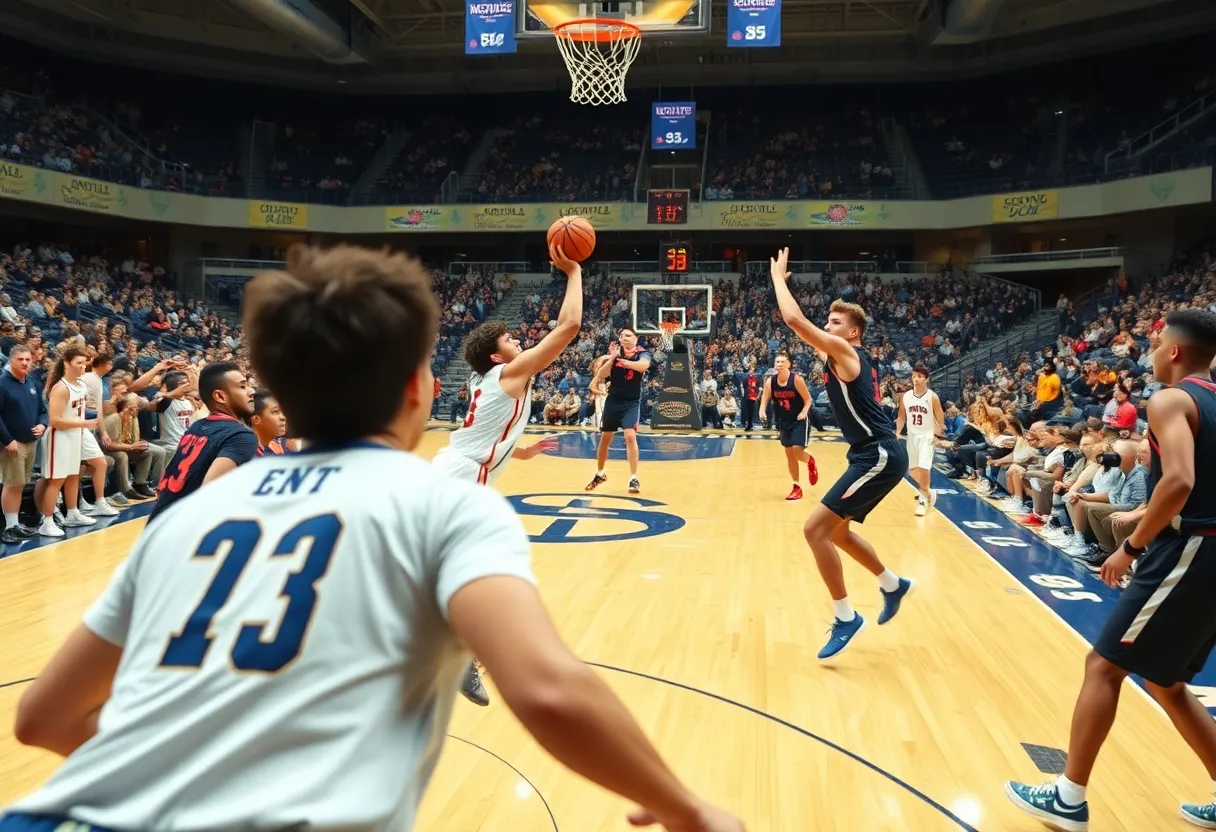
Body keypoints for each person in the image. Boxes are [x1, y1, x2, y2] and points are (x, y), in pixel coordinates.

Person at [1, 244, 746, 832]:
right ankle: (462, 653)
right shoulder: (441, 504)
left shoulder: (197, 512)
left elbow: (42, 720)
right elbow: (551, 690)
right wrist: (687, 808)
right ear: (421, 388)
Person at [1005, 309, 1216, 831]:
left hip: (1190, 549)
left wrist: (1132, 548)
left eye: (1157, 339)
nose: (1150, 346)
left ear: (1174, 351)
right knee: (1167, 684)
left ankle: (1069, 798)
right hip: (1209, 553)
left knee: (1103, 667)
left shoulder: (1171, 399)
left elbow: (1180, 481)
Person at [432, 244, 579, 706]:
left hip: (456, 466)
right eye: (511, 341)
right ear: (498, 359)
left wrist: (520, 450)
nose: (519, 342)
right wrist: (574, 271)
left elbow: (485, 433)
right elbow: (569, 327)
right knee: (484, 572)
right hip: (464, 478)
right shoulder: (508, 375)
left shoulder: (485, 380)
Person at [768, 248, 913, 660]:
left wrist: (779, 279)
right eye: (827, 321)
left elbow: (796, 321)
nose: (826, 327)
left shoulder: (848, 354)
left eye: (835, 323)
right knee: (837, 532)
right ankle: (891, 584)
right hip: (868, 454)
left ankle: (846, 616)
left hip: (879, 454)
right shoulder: (841, 354)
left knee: (814, 530)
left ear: (852, 334)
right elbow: (804, 331)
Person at [147, 361, 256, 522]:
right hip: (184, 531)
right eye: (242, 386)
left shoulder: (197, 426)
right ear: (219, 396)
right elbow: (209, 495)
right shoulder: (241, 436)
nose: (252, 391)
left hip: (158, 523)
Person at [36, 347, 96, 538]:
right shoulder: (60, 388)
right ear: (68, 364)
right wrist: (84, 423)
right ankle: (47, 522)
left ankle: (73, 513)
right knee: (56, 481)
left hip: (74, 435)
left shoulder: (81, 385)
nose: (83, 366)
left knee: (73, 476)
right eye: (79, 363)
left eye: (85, 363)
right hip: (58, 438)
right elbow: (54, 420)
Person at [586, 326, 652, 494]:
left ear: (636, 338)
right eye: (622, 335)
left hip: (631, 403)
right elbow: (601, 374)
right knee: (605, 438)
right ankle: (600, 473)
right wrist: (613, 358)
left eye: (628, 335)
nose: (624, 338)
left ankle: (633, 477)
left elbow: (643, 366)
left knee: (630, 436)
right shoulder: (614, 356)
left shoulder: (642, 353)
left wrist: (623, 362)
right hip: (613, 402)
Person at [757, 351, 819, 501]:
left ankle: (810, 462)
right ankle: (796, 487)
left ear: (789, 364)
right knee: (790, 455)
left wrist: (804, 412)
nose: (779, 364)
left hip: (799, 419)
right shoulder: (770, 382)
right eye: (777, 362)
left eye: (782, 362)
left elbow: (808, 400)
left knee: (798, 451)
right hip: (783, 421)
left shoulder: (796, 380)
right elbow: (764, 399)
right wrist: (762, 410)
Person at [0, 345, 47, 542]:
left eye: (28, 359)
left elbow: (42, 411)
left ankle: (15, 524)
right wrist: (7, 440)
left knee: (20, 484)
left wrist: (42, 425)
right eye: (21, 359)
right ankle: (9, 528)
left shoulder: (32, 382)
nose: (25, 363)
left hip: (31, 442)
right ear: (11, 361)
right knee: (12, 484)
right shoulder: (2, 384)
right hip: (12, 443)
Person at [895, 366, 944, 516]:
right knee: (913, 470)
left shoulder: (932, 396)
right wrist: (897, 432)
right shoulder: (906, 396)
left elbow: (940, 416)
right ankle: (929, 492)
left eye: (920, 376)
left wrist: (938, 436)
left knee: (924, 467)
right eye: (914, 376)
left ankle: (922, 500)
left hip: (927, 436)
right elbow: (902, 416)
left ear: (926, 379)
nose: (916, 379)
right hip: (912, 435)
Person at [250, 388, 289, 456]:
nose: (283, 418)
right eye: (275, 412)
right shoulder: (246, 452)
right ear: (256, 419)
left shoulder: (276, 448)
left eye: (283, 412)